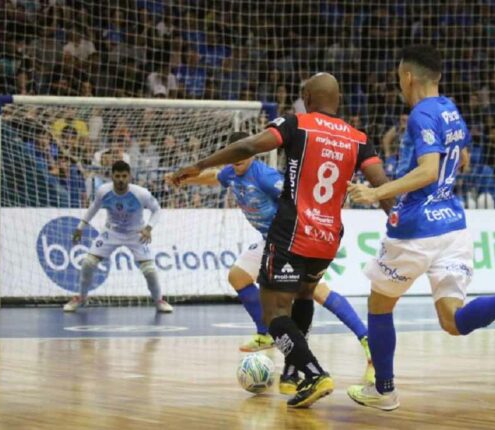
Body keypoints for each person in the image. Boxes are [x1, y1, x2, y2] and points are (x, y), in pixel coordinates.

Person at [169, 73, 392, 408]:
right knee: (304, 294)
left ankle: (313, 372)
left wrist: (198, 164)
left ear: (306, 97)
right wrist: (396, 218)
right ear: (339, 99)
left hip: (291, 231)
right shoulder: (359, 139)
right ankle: (296, 372)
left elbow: (247, 146)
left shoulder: (296, 124)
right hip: (329, 236)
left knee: (274, 315)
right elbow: (380, 183)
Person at [345, 45, 495, 411]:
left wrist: (376, 193)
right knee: (453, 321)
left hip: (416, 227)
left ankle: (384, 390)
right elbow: (462, 157)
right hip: (453, 225)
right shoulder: (450, 109)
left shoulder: (420, 115)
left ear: (408, 77)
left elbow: (429, 170)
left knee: (379, 305)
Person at [64, 161, 174, 313]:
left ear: (129, 176)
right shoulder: (103, 191)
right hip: (111, 232)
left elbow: (157, 210)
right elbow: (93, 208)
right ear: (112, 176)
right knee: (88, 263)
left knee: (150, 270)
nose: (121, 179)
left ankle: (159, 301)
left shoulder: (141, 193)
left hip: (136, 233)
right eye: (117, 176)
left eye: (124, 176)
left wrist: (148, 228)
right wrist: (80, 227)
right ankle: (81, 298)